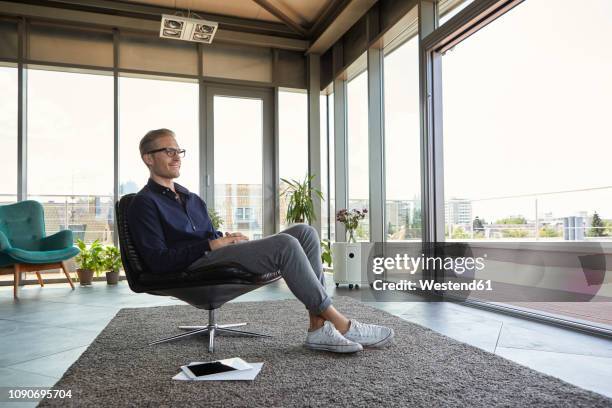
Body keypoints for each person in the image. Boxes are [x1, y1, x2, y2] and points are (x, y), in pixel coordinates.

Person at [127, 128, 394, 353]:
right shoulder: (144, 203)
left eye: (178, 151)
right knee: (285, 245)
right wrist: (211, 245)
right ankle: (341, 324)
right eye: (169, 151)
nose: (177, 157)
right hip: (192, 265)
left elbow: (208, 235)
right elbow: (157, 261)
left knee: (304, 232)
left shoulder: (192, 198)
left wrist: (225, 239)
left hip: (211, 253)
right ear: (148, 158)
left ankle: (317, 328)